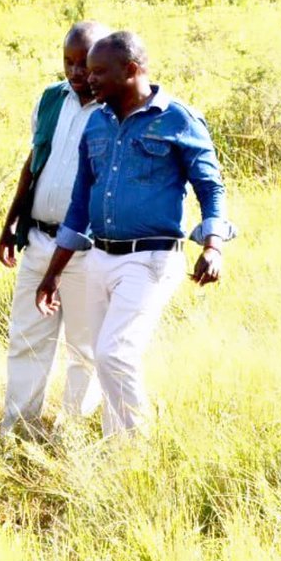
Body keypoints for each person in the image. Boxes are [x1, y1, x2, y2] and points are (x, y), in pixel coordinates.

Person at [35, 31, 230, 436]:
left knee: (114, 353)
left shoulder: (178, 119)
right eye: (87, 72)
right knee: (97, 355)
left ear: (133, 70)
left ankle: (135, 449)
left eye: (99, 72)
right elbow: (79, 205)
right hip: (98, 258)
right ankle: (114, 446)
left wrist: (213, 246)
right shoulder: (98, 125)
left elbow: (210, 187)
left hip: (151, 258)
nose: (89, 80)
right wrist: (53, 272)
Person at [0, 21, 109, 438]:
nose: (78, 72)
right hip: (40, 237)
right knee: (26, 339)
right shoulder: (50, 99)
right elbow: (34, 161)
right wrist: (12, 221)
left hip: (89, 248)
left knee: (85, 348)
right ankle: (19, 431)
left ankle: (72, 435)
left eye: (87, 64)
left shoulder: (115, 108)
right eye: (69, 61)